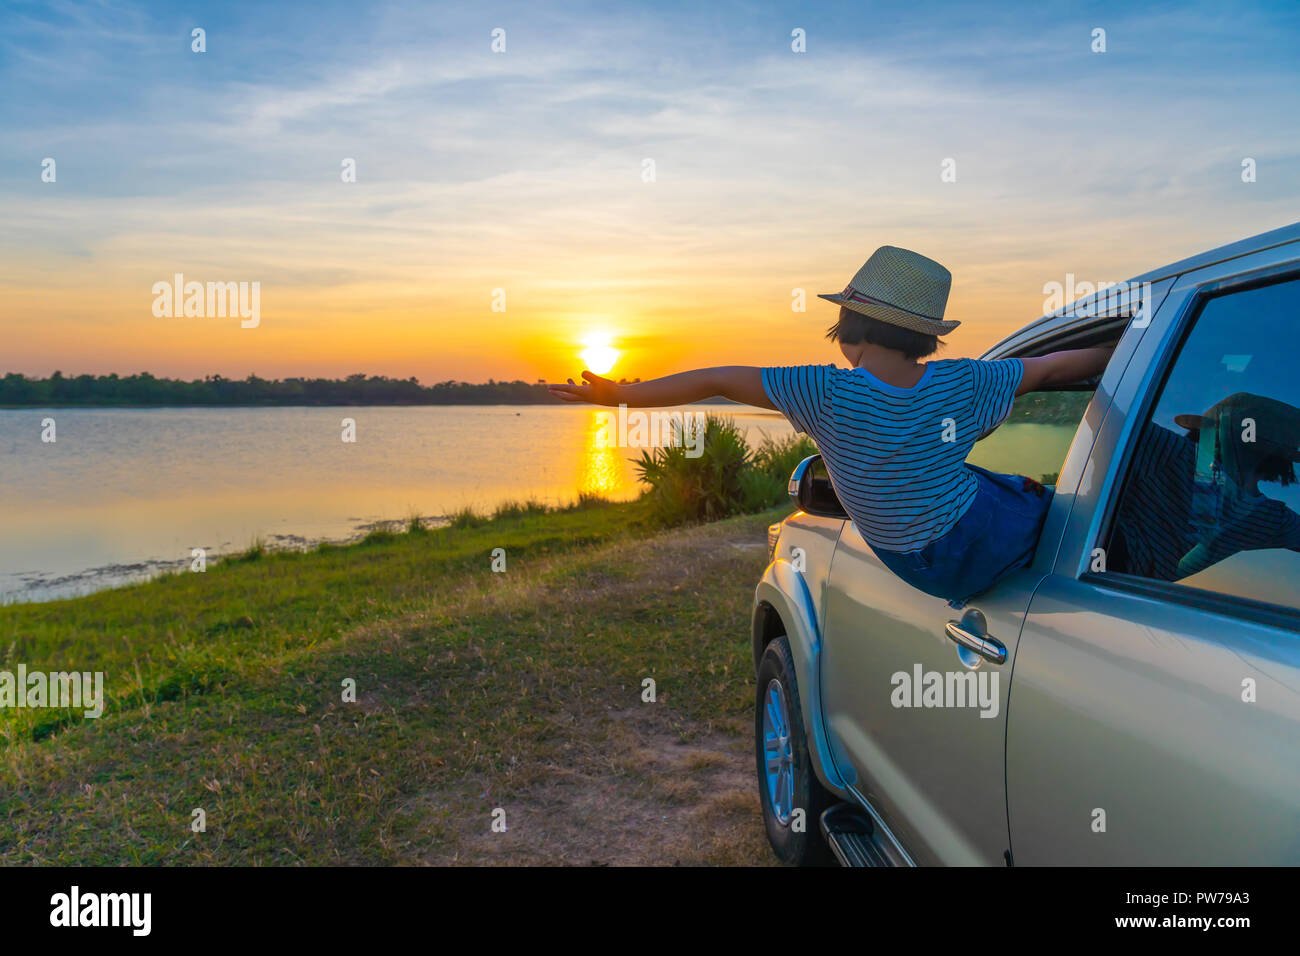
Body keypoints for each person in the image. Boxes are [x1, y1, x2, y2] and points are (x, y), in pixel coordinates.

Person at [549, 245, 1113, 604]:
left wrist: (618, 395)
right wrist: (1135, 342)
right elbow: (1059, 366)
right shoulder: (964, 382)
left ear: (845, 330)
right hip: (979, 535)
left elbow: (715, 380)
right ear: (927, 334)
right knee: (1073, 510)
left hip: (920, 568)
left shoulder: (825, 392)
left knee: (1004, 489)